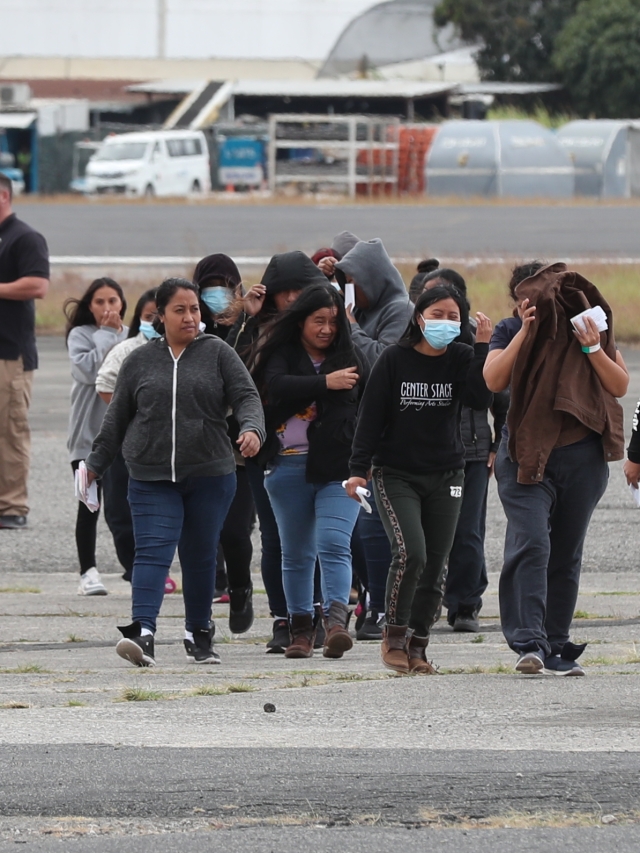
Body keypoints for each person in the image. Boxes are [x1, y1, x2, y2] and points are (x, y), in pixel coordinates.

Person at [85, 278, 265, 667]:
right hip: (150, 476)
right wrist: (95, 465)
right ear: (160, 316)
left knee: (200, 554)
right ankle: (142, 633)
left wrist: (252, 429)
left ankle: (198, 633)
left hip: (210, 475)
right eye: (179, 310)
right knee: (152, 552)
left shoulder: (217, 352)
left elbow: (246, 396)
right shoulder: (139, 360)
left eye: (194, 309)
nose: (189, 317)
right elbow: (116, 418)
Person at [484, 261, 628, 676]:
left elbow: (619, 385)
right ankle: (529, 642)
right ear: (518, 301)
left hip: (581, 455)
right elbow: (493, 379)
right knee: (532, 542)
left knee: (566, 551)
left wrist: (592, 347)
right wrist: (525, 333)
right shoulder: (509, 330)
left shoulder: (585, 325)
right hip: (526, 453)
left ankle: (556, 643)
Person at [346, 285, 492, 674]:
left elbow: (479, 399)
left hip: (447, 472)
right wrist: (358, 469)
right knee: (412, 553)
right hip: (396, 473)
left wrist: (481, 347)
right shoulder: (394, 359)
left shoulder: (462, 356)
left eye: (453, 317)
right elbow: (370, 417)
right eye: (437, 314)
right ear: (419, 318)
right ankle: (393, 637)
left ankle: (418, 644)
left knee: (436, 564)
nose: (445, 322)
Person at [250, 284, 365, 658]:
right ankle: (301, 630)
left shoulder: (352, 357)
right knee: (296, 553)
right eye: (318, 320)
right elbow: (276, 386)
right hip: (287, 466)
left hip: (339, 470)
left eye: (333, 321)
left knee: (333, 543)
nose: (327, 329)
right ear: (300, 321)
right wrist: (325, 383)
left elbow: (370, 408)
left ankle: (336, 624)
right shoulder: (279, 354)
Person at [229, 251, 329, 652]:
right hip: (267, 449)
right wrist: (249, 320)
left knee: (316, 540)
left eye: (300, 291)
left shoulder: (323, 331)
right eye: (284, 292)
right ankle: (283, 618)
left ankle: (316, 614)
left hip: (319, 451)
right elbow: (233, 373)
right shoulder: (259, 330)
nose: (291, 299)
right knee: (275, 538)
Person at [417, 266, 509, 633]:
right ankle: (424, 602)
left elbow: (498, 397)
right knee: (424, 535)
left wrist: (498, 443)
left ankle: (465, 603)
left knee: (467, 531)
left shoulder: (477, 342)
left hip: (470, 454)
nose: (441, 315)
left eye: (448, 307)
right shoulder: (410, 346)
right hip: (422, 455)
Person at [335, 238, 415, 640]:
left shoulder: (399, 309)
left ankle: (387, 607)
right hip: (359, 431)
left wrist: (350, 330)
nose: (350, 290)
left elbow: (384, 363)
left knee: (379, 530)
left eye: (353, 281)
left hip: (392, 434)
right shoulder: (362, 312)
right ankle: (372, 600)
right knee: (359, 530)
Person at [193, 252, 256, 632]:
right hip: (198, 445)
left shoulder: (249, 327)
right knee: (202, 533)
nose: (217, 295)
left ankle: (241, 587)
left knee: (234, 530)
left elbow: (239, 366)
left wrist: (248, 317)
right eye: (209, 288)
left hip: (239, 447)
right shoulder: (190, 329)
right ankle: (202, 612)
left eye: (225, 287)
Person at [65, 277, 128, 595]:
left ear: (122, 304)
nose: (107, 307)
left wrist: (117, 335)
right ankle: (88, 572)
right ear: (89, 306)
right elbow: (89, 372)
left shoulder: (131, 336)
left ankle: (136, 568)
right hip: (87, 439)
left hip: (125, 439)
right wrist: (106, 334)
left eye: (112, 301)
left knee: (128, 506)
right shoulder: (81, 335)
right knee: (89, 505)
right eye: (99, 302)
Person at [95, 288, 159, 585]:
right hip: (127, 444)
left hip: (169, 446)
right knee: (121, 511)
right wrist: (133, 415)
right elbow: (104, 385)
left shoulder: (193, 351)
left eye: (159, 316)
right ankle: (135, 569)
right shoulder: (127, 350)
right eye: (148, 316)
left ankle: (156, 568)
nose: (154, 322)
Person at [0, 173, 49, 529]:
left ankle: (12, 506)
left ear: (3, 196)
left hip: (10, 354)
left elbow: (38, 284)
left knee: (10, 429)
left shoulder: (24, 237)